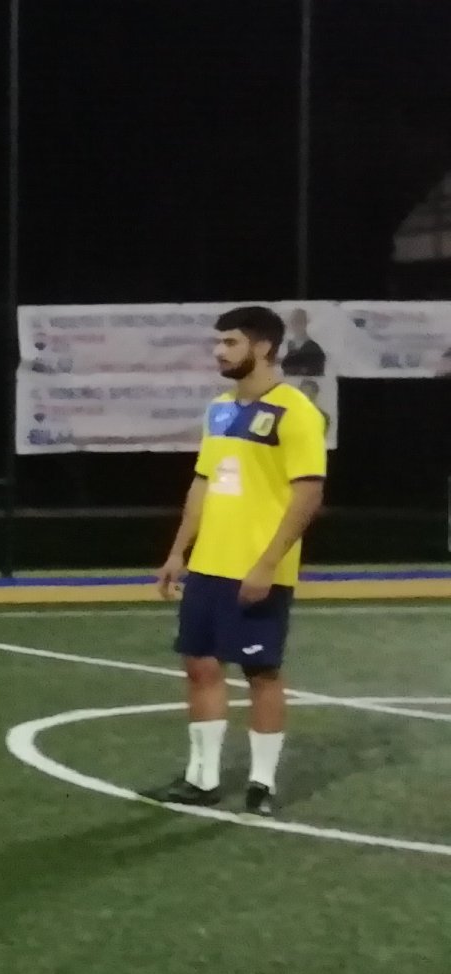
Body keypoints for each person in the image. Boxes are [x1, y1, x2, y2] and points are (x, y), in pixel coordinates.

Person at [149, 305, 327, 817]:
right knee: (199, 665)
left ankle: (261, 784)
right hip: (209, 566)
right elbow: (203, 482)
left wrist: (267, 564)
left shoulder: (296, 411)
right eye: (218, 342)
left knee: (261, 671)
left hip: (257, 568)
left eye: (230, 342)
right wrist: (178, 551)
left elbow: (308, 494)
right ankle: (201, 778)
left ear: (263, 346)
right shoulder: (220, 409)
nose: (218, 352)